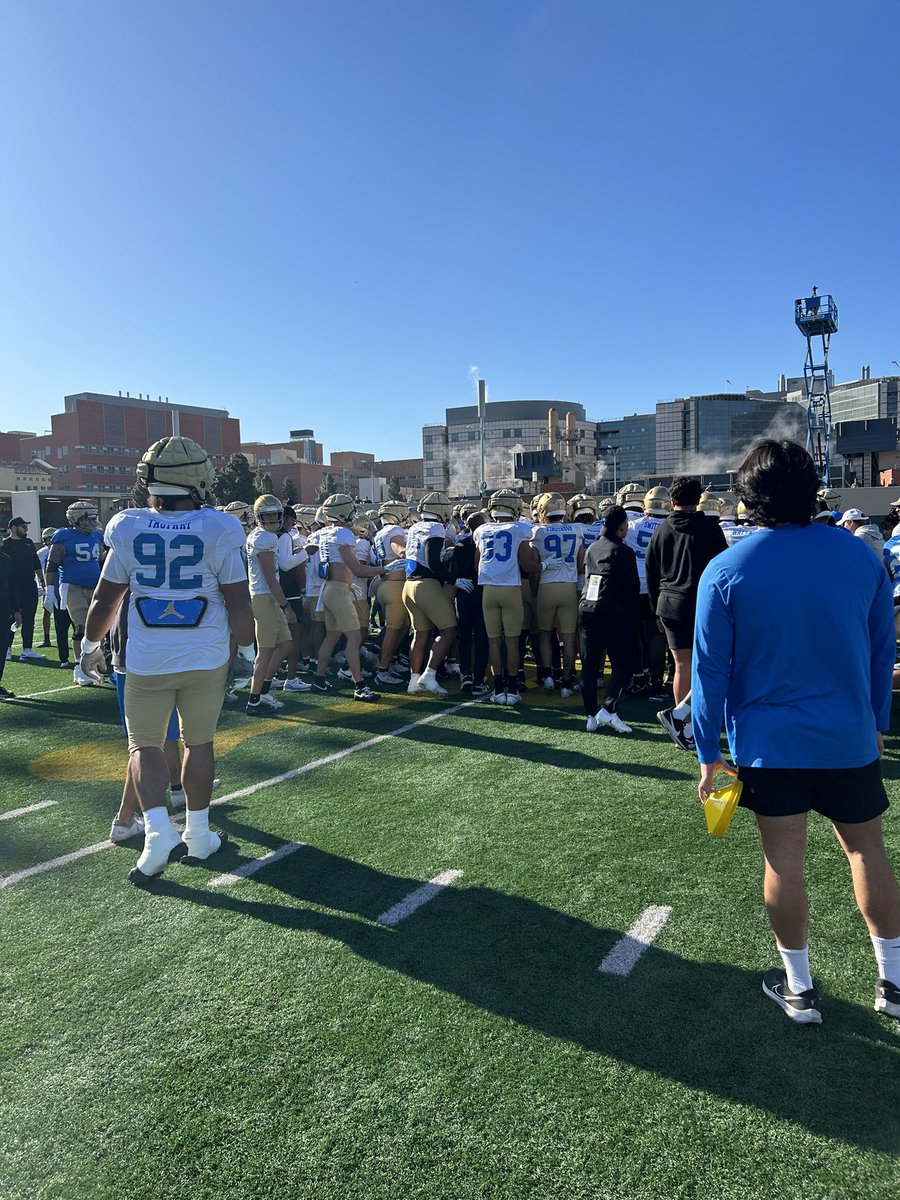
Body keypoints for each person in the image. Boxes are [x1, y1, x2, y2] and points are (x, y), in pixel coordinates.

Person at [692, 438, 900, 1024]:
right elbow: (881, 652)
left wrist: (708, 752)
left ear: (748, 496)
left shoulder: (727, 568)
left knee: (784, 862)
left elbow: (709, 673)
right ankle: (894, 983)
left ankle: (800, 988)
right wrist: (877, 722)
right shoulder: (860, 555)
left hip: (769, 744)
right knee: (867, 850)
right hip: (847, 735)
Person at [79, 435, 255, 884]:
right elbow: (239, 602)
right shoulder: (220, 526)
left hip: (146, 657)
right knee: (199, 743)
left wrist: (89, 646)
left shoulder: (126, 524)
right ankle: (198, 832)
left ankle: (157, 830)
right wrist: (248, 651)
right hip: (205, 656)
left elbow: (105, 599)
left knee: (145, 745)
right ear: (200, 478)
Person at [646, 476, 726, 747]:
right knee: (710, 663)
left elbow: (651, 571)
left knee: (681, 665)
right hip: (701, 602)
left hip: (668, 602)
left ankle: (683, 725)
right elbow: (722, 569)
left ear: (672, 501)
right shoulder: (710, 528)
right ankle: (684, 717)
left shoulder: (661, 529)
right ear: (699, 499)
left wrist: (656, 609)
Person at [312, 493, 384, 700]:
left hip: (329, 589)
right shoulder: (343, 534)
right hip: (339, 591)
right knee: (354, 637)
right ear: (343, 512)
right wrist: (384, 569)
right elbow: (357, 569)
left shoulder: (326, 532)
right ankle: (359, 686)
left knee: (332, 636)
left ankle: (318, 678)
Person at [472, 491, 540, 706]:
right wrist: (543, 565)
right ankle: (513, 689)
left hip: (488, 590)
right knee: (511, 642)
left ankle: (498, 690)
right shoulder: (519, 528)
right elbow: (527, 564)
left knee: (494, 641)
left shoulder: (481, 530)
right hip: (510, 589)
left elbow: (477, 565)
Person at [580, 505, 640, 734]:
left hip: (587, 609)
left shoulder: (592, 547)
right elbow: (632, 588)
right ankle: (608, 708)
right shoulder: (623, 551)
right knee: (626, 664)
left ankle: (590, 716)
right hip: (613, 613)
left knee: (590, 666)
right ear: (622, 526)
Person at [402, 491, 458, 696]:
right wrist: (453, 579)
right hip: (426, 585)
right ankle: (429, 674)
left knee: (420, 634)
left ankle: (413, 680)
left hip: (409, 585)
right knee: (449, 630)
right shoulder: (435, 527)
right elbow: (432, 561)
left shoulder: (414, 527)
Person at [245, 494, 296, 715]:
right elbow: (271, 578)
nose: (273, 518)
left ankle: (263, 690)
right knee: (265, 652)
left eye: (275, 514)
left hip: (268, 597)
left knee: (285, 645)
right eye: (267, 515)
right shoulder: (264, 538)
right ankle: (254, 701)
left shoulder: (263, 536)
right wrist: (286, 607)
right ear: (259, 517)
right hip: (265, 597)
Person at [530, 491, 585, 697]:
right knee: (569, 637)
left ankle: (548, 677)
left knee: (545, 634)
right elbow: (581, 564)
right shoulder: (577, 529)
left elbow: (534, 565)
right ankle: (567, 682)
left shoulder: (537, 532)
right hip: (569, 587)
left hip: (546, 586)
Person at [45, 501, 105, 685]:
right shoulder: (64, 536)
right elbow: (52, 565)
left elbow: (100, 560)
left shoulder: (97, 536)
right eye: (89, 519)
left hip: (94, 586)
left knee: (98, 628)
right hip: (72, 586)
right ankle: (79, 667)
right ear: (77, 519)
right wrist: (49, 591)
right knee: (81, 627)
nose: (93, 522)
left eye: (94, 518)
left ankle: (93, 665)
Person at [2, 517, 43, 661]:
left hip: (29, 586)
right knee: (11, 618)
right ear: (14, 528)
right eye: (23, 527)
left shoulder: (29, 542)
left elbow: (36, 562)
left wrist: (42, 580)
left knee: (29, 618)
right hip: (12, 587)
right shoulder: (5, 544)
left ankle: (27, 649)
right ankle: (7, 648)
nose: (26, 529)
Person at [0, 542, 22, 699]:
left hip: (3, 610)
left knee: (1, 649)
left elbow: (12, 587)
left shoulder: (6, 559)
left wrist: (16, 610)